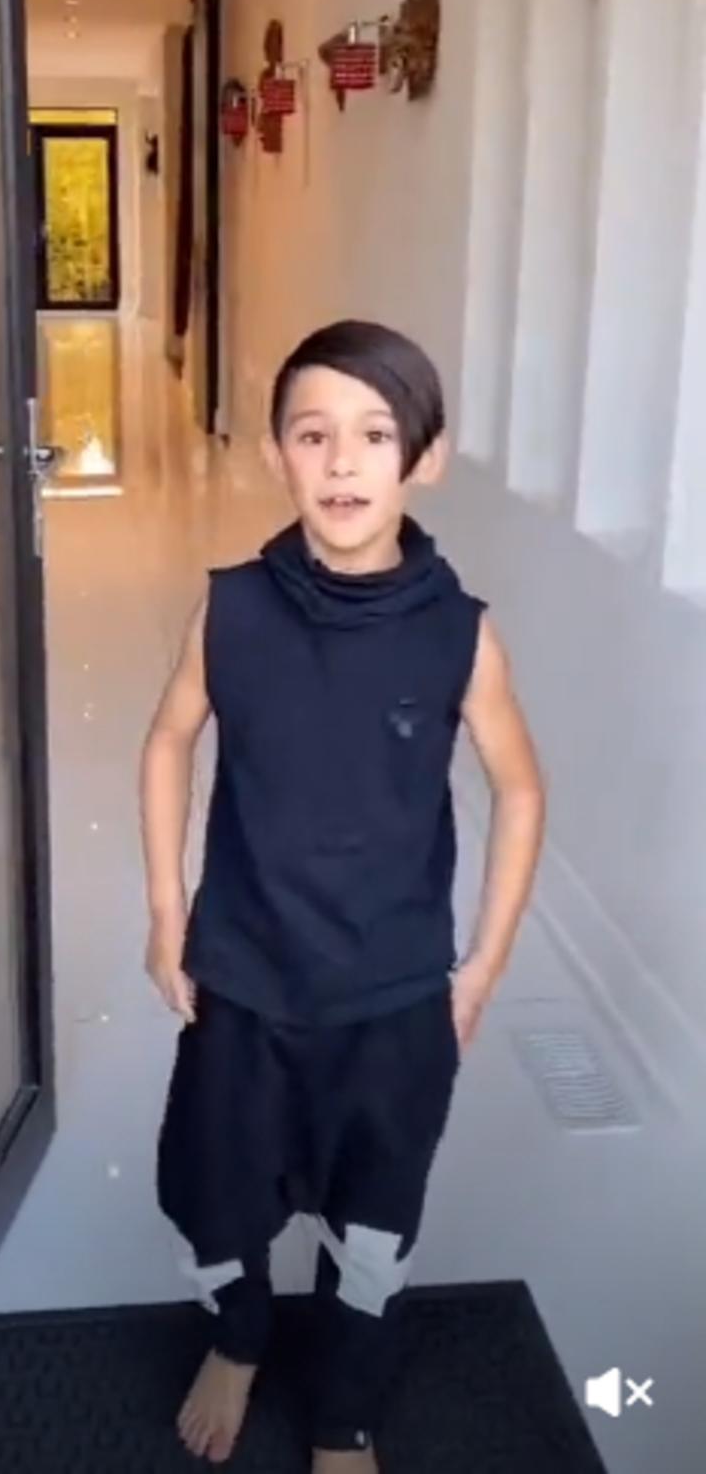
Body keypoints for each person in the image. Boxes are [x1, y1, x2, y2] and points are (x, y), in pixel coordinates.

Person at [140, 319, 545, 1473]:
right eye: (312, 435)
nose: (341, 462)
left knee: (374, 1218)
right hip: (244, 976)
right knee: (215, 1189)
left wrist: (481, 968)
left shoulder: (459, 636)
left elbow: (519, 789)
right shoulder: (231, 609)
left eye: (374, 434)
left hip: (392, 994)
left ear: (424, 457)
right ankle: (239, 1335)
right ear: (277, 452)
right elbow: (169, 740)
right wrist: (167, 914)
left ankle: (345, 1412)